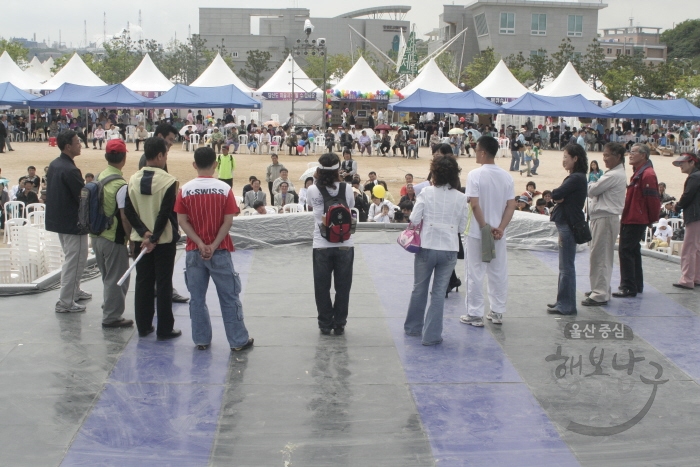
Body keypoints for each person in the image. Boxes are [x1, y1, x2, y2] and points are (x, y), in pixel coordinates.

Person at [174, 147, 253, 351]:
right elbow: (228, 221)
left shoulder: (185, 190)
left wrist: (200, 243)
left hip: (194, 251)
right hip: (220, 250)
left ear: (194, 165)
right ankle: (238, 340)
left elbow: (182, 221)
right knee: (228, 297)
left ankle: (201, 339)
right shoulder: (224, 189)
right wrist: (213, 244)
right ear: (215, 165)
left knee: (197, 299)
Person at [405, 154, 468, 343]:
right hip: (449, 248)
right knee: (439, 293)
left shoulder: (426, 193)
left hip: (426, 245)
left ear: (434, 173)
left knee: (419, 288)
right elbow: (462, 226)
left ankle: (413, 328)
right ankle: (431, 336)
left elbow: (414, 219)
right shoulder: (461, 197)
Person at [124, 137, 181, 340]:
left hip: (140, 241)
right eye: (166, 154)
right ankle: (165, 328)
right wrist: (155, 236)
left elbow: (129, 211)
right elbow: (165, 213)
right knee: (164, 284)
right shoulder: (169, 181)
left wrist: (144, 233)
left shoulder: (132, 179)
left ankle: (144, 325)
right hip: (163, 242)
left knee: (143, 282)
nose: (166, 158)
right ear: (159, 155)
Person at [459, 136, 515, 327]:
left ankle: (475, 313)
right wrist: (500, 228)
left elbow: (474, 204)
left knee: (474, 271)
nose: (475, 154)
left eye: (477, 150)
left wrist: (484, 227)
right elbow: (511, 205)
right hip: (498, 233)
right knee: (498, 271)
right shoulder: (507, 176)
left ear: (483, 152)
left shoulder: (475, 175)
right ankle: (497, 311)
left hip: (477, 231)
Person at [306, 152, 355, 335]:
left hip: (321, 244)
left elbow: (312, 206)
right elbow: (349, 206)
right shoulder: (347, 188)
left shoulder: (312, 189)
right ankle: (340, 323)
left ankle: (325, 324)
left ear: (318, 169)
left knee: (322, 286)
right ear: (337, 169)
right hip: (345, 243)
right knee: (343, 287)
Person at [45, 131, 91, 313]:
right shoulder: (70, 170)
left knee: (75, 258)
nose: (80, 144)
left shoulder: (55, 165)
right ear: (68, 147)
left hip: (59, 221)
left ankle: (74, 291)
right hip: (73, 223)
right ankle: (65, 301)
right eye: (77, 142)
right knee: (75, 260)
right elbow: (82, 196)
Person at [91, 139, 134, 328]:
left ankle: (108, 306)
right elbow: (124, 218)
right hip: (113, 238)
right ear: (124, 158)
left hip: (96, 235)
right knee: (118, 279)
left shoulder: (100, 177)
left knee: (107, 276)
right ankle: (111, 317)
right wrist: (131, 239)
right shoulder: (120, 185)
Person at [614, 143, 661, 298]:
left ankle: (628, 286)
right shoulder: (641, 172)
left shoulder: (647, 174)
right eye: (630, 152)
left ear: (644, 155)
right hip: (634, 217)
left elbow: (653, 200)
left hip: (636, 218)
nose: (630, 154)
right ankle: (636, 284)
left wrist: (652, 219)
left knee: (626, 250)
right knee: (633, 251)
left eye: (634, 152)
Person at [583, 142, 627, 307]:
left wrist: (591, 186)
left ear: (618, 157)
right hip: (602, 218)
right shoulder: (613, 173)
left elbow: (592, 190)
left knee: (600, 256)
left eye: (607, 155)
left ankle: (599, 293)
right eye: (604, 155)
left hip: (605, 217)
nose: (604, 158)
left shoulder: (613, 175)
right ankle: (599, 288)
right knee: (598, 255)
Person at [547, 144, 588, 315]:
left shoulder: (576, 178)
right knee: (565, 266)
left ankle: (567, 304)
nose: (563, 160)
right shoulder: (577, 177)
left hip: (568, 225)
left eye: (566, 156)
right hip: (567, 224)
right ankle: (562, 301)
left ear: (575, 158)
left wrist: (559, 197)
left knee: (566, 267)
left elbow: (555, 194)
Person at [672, 153, 700, 289]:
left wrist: (677, 206)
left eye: (683, 163)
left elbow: (687, 195)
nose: (680, 165)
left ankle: (687, 279)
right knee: (696, 248)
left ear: (692, 163)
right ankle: (696, 277)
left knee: (689, 248)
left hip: (694, 215)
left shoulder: (694, 177)